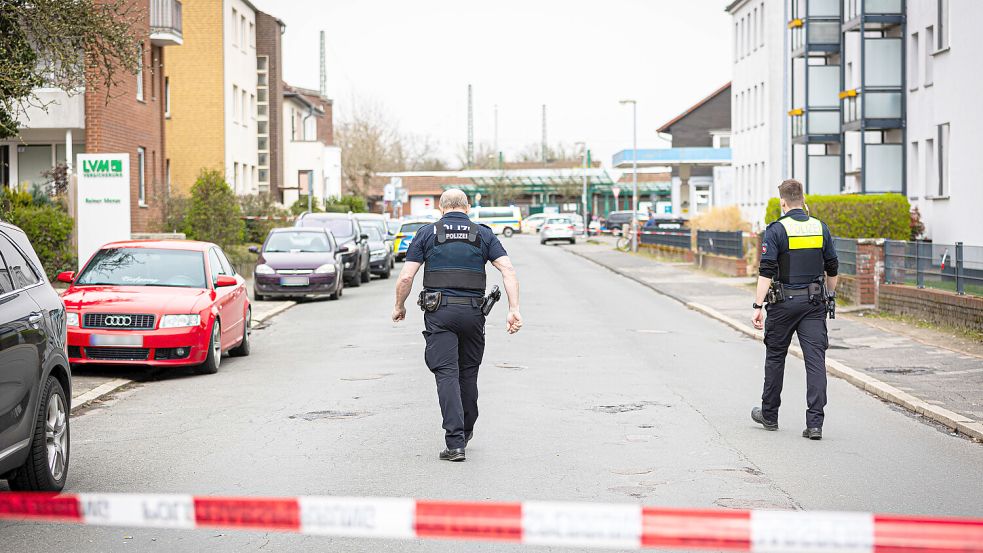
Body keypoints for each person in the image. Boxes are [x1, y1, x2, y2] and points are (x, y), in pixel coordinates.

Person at [392, 189, 522, 462]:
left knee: (447, 374)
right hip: (474, 313)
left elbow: (406, 277)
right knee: (468, 373)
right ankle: (466, 429)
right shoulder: (483, 234)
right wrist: (513, 309)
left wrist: (399, 306)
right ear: (468, 207)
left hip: (439, 314)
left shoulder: (427, 233)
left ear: (441, 208)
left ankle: (455, 443)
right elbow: (508, 270)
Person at [750, 179, 838, 440]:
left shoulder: (776, 230)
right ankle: (815, 424)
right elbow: (832, 267)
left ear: (783, 202)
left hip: (783, 304)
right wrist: (830, 295)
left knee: (776, 357)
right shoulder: (820, 228)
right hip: (814, 304)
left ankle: (770, 415)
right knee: (815, 361)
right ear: (803, 200)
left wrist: (757, 306)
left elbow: (766, 271)